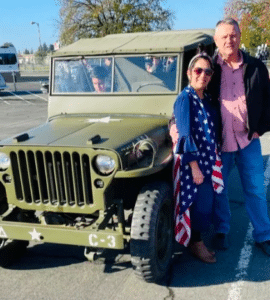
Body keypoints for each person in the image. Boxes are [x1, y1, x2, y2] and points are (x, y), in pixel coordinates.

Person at [208, 18, 270, 255]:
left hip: (248, 140)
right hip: (221, 143)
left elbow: (268, 101)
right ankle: (222, 230)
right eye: (223, 36)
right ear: (216, 40)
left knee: (255, 188)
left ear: (240, 36)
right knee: (219, 188)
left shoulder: (255, 67)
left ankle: (263, 235)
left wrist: (261, 127)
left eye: (233, 35)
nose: (229, 40)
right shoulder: (209, 68)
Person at [171, 51, 223, 263]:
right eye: (198, 70)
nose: (203, 75)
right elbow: (185, 134)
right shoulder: (185, 99)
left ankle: (197, 240)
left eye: (208, 72)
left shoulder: (207, 99)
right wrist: (194, 167)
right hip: (194, 164)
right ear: (189, 73)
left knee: (207, 203)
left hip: (209, 160)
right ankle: (196, 243)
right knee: (199, 206)